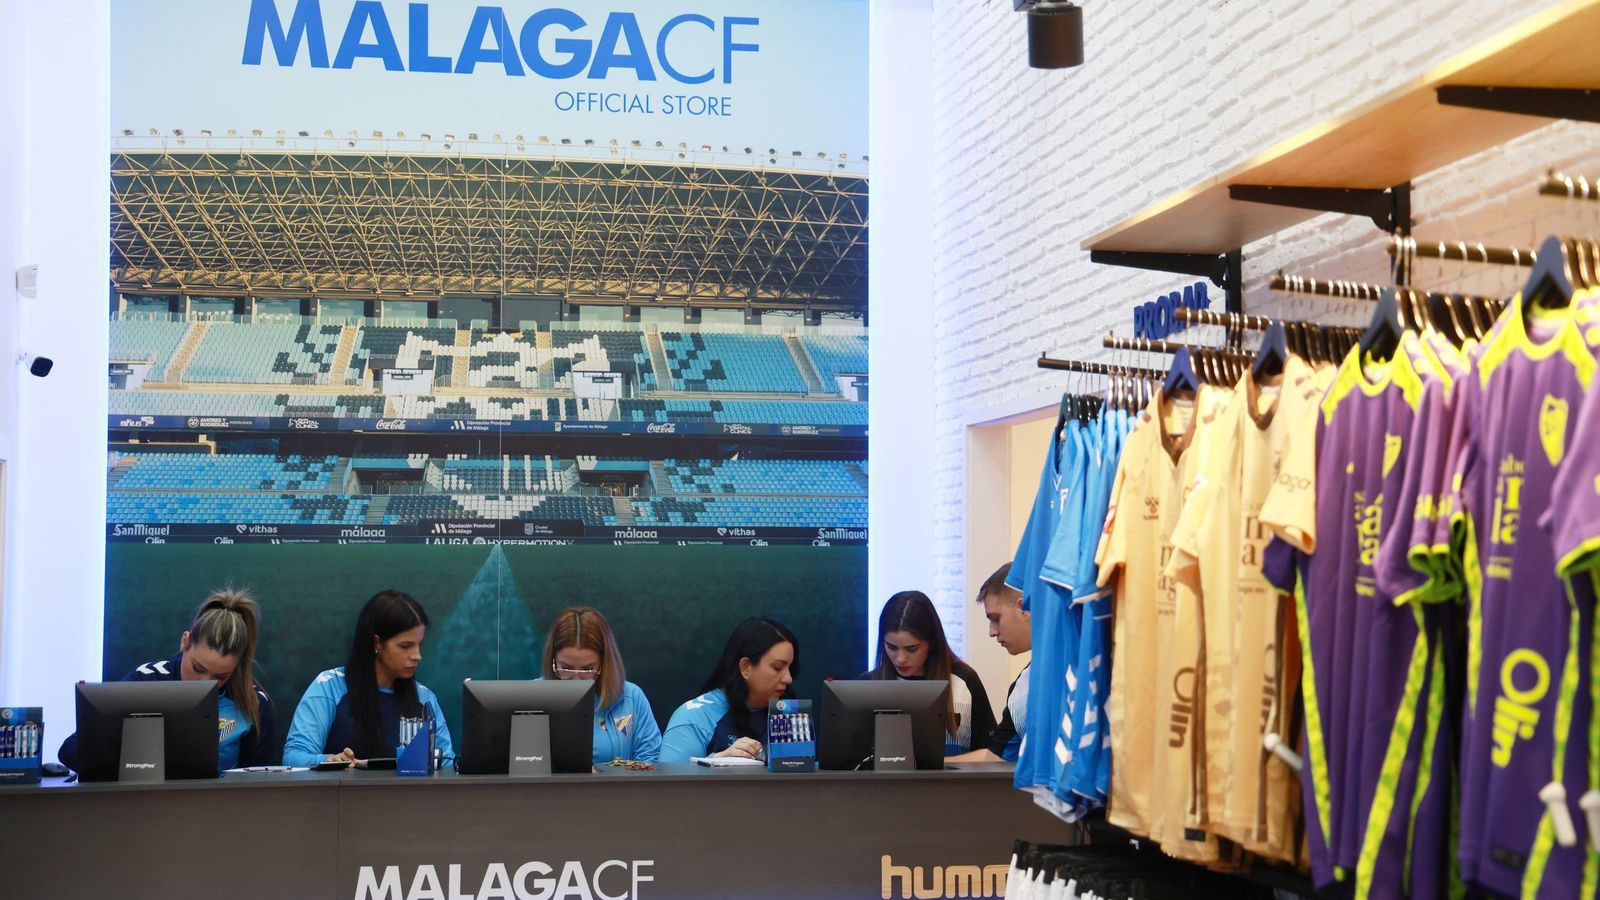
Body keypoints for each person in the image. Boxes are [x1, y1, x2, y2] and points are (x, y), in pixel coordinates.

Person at [58, 588, 278, 771]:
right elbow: (72, 750)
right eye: (198, 668)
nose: (205, 683)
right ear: (185, 642)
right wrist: (134, 767)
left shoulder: (254, 704)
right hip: (142, 803)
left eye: (221, 676)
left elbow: (257, 787)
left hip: (219, 807)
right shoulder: (146, 680)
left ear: (238, 664)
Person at [283, 590, 454, 767]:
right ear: (377, 643)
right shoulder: (328, 687)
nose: (417, 656)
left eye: (420, 645)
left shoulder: (424, 698)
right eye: (406, 646)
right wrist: (328, 761)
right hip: (340, 785)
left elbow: (447, 763)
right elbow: (293, 756)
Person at [863, 590, 996, 756]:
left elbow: (991, 753)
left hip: (956, 775)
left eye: (912, 649)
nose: (900, 658)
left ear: (932, 641)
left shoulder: (965, 681)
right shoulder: (867, 686)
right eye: (891, 647)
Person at [659, 617, 797, 763]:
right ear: (746, 667)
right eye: (777, 667)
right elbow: (669, 776)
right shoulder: (694, 717)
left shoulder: (790, 714)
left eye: (790, 668)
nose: (788, 679)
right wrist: (718, 760)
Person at [540, 606, 661, 764]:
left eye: (587, 669)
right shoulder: (530, 697)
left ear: (604, 663)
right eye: (566, 668)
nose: (577, 680)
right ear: (553, 660)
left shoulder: (631, 698)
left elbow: (650, 763)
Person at [949, 564, 1031, 763]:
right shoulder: (1022, 688)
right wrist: (924, 769)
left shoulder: (1076, 670)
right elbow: (996, 756)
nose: (992, 632)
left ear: (1024, 608)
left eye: (996, 618)